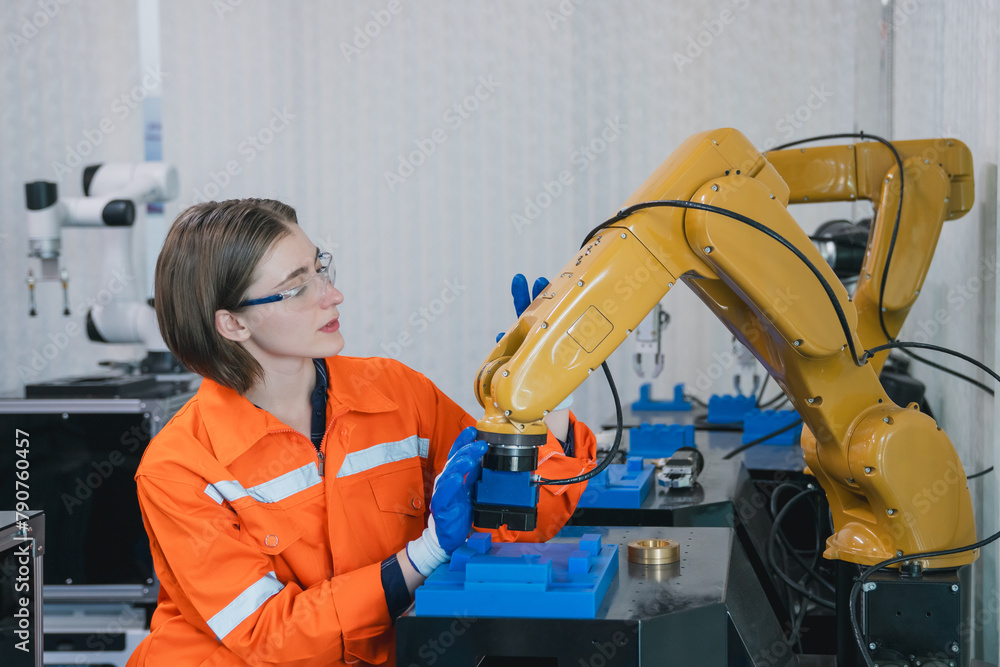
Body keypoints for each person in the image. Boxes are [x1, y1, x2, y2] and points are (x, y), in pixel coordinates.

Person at [127, 198, 597, 666]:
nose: (332, 295)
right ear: (232, 324)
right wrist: (424, 555)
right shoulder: (180, 468)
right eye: (295, 289)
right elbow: (272, 636)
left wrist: (547, 391)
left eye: (319, 269)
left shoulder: (396, 393)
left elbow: (519, 520)